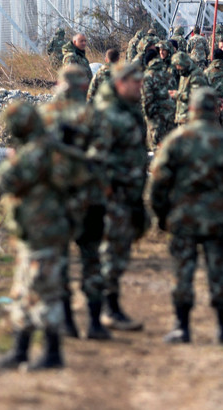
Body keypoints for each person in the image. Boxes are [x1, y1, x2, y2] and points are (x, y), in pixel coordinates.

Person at [146, 88, 223, 345]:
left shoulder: (177, 140)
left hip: (183, 218)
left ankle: (182, 327)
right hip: (218, 218)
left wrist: (162, 216)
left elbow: (158, 185)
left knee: (183, 272)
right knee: (219, 272)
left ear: (191, 109)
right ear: (216, 109)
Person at [0, 101, 84, 370]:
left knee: (44, 292)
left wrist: (11, 159)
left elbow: (6, 179)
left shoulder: (37, 152)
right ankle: (20, 350)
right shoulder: (51, 148)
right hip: (34, 231)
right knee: (23, 291)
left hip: (43, 231)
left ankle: (53, 353)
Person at [39, 65, 110, 340]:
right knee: (92, 260)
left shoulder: (45, 116)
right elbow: (104, 156)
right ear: (84, 86)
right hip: (90, 198)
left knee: (61, 261)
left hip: (57, 199)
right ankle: (94, 323)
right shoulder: (94, 116)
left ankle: (67, 321)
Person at [95, 63, 149, 331]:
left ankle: (109, 306)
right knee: (111, 253)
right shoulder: (110, 115)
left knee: (120, 251)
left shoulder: (129, 112)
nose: (139, 87)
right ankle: (107, 308)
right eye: (134, 83)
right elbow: (96, 157)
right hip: (114, 196)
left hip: (129, 194)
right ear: (119, 84)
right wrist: (108, 191)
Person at [141, 45, 176, 150]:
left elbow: (146, 101)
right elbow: (173, 93)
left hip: (156, 121)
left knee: (156, 152)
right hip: (170, 118)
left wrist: (147, 119)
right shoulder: (168, 74)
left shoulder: (147, 77)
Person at [169, 51, 208, 125]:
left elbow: (196, 96)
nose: (177, 68)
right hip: (182, 117)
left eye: (179, 65)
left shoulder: (196, 75)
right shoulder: (184, 74)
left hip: (190, 119)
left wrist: (177, 95)